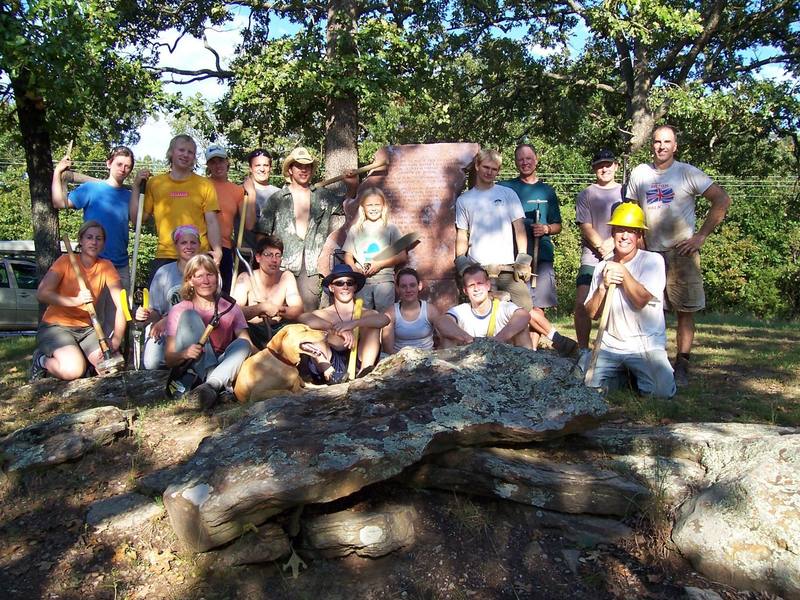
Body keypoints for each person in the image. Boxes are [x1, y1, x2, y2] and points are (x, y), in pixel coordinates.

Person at [626, 125, 731, 386]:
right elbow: (630, 211)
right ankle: (649, 363)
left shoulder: (687, 173)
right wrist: (635, 247)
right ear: (652, 145)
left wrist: (701, 236)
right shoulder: (640, 173)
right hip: (650, 254)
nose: (661, 146)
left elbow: (722, 200)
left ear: (675, 146)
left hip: (681, 252)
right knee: (647, 310)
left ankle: (682, 363)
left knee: (685, 311)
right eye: (657, 141)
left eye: (667, 142)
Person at [583, 203, 676, 398]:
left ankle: (635, 375)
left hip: (645, 345)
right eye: (619, 230)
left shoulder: (653, 261)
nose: (625, 236)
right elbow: (591, 314)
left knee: (661, 393)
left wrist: (623, 272)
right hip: (609, 345)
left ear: (639, 236)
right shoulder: (601, 268)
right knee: (584, 387)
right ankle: (624, 377)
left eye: (631, 231)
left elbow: (641, 300)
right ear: (613, 233)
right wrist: (602, 288)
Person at [499, 143, 572, 353]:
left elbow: (557, 224)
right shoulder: (506, 188)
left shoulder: (547, 191)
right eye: (520, 159)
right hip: (514, 257)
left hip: (542, 256)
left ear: (536, 159)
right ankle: (548, 342)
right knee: (520, 307)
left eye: (528, 158)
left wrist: (546, 228)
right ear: (515, 162)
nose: (525, 162)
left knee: (538, 306)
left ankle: (531, 352)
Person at [31, 221, 126, 381]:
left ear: (103, 243)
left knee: (112, 368)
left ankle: (85, 361)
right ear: (81, 240)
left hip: (88, 330)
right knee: (73, 370)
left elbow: (121, 305)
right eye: (89, 237)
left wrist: (116, 339)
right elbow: (42, 293)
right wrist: (74, 301)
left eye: (99, 238)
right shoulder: (65, 261)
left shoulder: (106, 266)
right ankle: (41, 360)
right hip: (56, 327)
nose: (94, 242)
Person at [255, 147, 344, 311]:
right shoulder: (277, 199)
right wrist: (266, 264)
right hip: (281, 265)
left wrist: (352, 184)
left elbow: (347, 204)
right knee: (278, 313)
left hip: (311, 267)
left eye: (307, 166)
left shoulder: (323, 196)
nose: (303, 170)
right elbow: (262, 236)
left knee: (307, 314)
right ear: (290, 169)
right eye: (298, 166)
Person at [164, 255, 252, 410]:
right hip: (195, 366)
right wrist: (185, 353)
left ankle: (211, 385)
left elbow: (246, 344)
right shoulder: (179, 310)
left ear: (217, 278)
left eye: (210, 275)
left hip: (224, 362)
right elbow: (169, 358)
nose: (205, 281)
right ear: (190, 281)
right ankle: (217, 386)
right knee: (189, 316)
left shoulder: (230, 307)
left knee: (243, 344)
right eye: (199, 276)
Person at [129, 134, 223, 279]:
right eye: (181, 150)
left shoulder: (204, 185)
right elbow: (138, 220)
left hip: (197, 255)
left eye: (190, 152)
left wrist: (217, 249)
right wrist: (136, 187)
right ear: (171, 152)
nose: (186, 155)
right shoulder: (155, 183)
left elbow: (211, 221)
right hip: (166, 255)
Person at [51, 146, 135, 290]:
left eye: (127, 166)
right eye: (119, 164)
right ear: (108, 164)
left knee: (121, 311)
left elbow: (137, 220)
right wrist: (57, 172)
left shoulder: (130, 197)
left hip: (120, 265)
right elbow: (58, 202)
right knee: (91, 311)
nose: (123, 169)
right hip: (93, 264)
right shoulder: (90, 189)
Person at [297, 264, 389, 383]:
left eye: (349, 283)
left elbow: (384, 319)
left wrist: (354, 323)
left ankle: (365, 374)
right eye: (339, 283)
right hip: (329, 364)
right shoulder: (323, 313)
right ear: (331, 288)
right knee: (314, 332)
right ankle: (330, 375)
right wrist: (335, 329)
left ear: (354, 287)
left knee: (372, 326)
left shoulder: (365, 313)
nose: (345, 286)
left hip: (358, 362)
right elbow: (302, 318)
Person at [574, 149, 623, 359]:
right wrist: (602, 246)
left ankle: (612, 350)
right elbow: (585, 225)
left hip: (620, 254)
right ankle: (583, 349)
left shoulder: (626, 193)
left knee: (617, 305)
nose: (604, 168)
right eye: (600, 165)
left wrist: (613, 244)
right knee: (582, 302)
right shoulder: (586, 194)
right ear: (594, 168)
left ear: (616, 166)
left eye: (608, 164)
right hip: (591, 257)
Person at [135, 225, 201, 369]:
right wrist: (146, 315)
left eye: (193, 242)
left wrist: (168, 319)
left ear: (199, 245)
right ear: (176, 246)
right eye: (184, 242)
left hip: (194, 327)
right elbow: (155, 311)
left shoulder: (206, 272)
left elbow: (206, 306)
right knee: (152, 364)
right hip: (165, 330)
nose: (189, 246)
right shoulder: (163, 273)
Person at [231, 234, 304, 350]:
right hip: (252, 330)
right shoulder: (245, 278)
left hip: (278, 330)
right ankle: (254, 353)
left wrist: (278, 310)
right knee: (238, 327)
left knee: (300, 328)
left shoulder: (286, 277)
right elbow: (233, 312)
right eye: (269, 255)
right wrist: (261, 308)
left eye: (277, 255)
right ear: (258, 258)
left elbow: (298, 309)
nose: (274, 260)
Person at [437, 265, 532, 348]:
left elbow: (524, 315)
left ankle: (529, 366)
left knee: (522, 330)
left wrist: (499, 339)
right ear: (465, 291)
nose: (476, 289)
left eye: (480, 284)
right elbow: (442, 322)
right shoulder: (463, 310)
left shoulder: (502, 307)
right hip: (472, 360)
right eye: (471, 285)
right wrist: (468, 339)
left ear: (488, 285)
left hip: (503, 359)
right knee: (447, 337)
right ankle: (446, 369)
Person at [343, 187, 406, 312]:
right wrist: (355, 269)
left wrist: (379, 264)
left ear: (383, 207)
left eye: (377, 204)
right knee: (360, 315)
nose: (373, 208)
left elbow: (402, 256)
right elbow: (348, 255)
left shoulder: (391, 228)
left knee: (385, 317)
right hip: (361, 283)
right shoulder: (355, 229)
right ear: (363, 207)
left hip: (384, 282)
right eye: (369, 205)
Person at [382, 267, 442, 354]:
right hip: (399, 359)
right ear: (397, 288)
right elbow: (388, 349)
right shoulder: (391, 312)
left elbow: (445, 337)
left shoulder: (430, 310)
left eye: (412, 285)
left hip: (427, 359)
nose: (408, 290)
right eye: (403, 286)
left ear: (419, 286)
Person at [242, 149, 281, 250]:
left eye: (266, 165)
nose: (262, 169)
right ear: (250, 168)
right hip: (246, 254)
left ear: (270, 168)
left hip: (272, 255)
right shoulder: (239, 191)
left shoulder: (279, 194)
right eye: (257, 165)